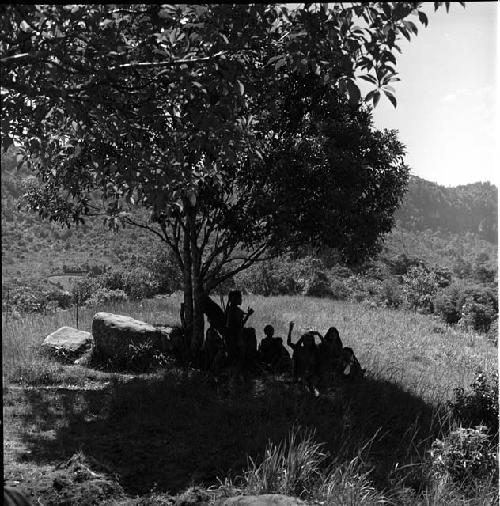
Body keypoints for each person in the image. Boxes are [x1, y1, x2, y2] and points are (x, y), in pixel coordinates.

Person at [287, 321, 319, 396]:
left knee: (312, 387)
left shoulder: (315, 350)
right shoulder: (300, 349)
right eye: (306, 340)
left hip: (312, 374)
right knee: (302, 387)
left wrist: (318, 334)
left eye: (310, 340)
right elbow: (289, 343)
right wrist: (290, 330)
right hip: (300, 374)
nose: (308, 342)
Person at [224, 290, 254, 364]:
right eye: (240, 298)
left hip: (231, 336)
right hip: (236, 337)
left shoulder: (230, 309)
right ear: (235, 299)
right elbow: (239, 325)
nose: (241, 299)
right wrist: (247, 316)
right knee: (240, 358)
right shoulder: (234, 310)